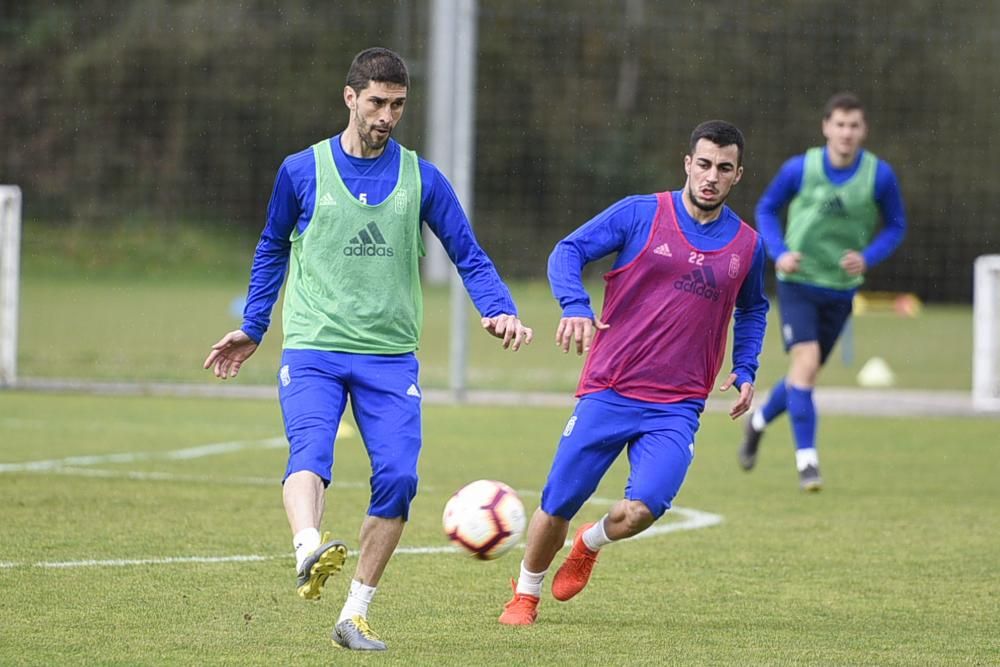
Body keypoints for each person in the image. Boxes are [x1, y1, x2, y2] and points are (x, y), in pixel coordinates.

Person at [203, 47, 532, 651]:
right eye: (377, 102)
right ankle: (308, 548)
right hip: (314, 347)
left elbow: (468, 252)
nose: (386, 115)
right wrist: (254, 324)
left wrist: (499, 308)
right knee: (311, 449)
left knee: (400, 479)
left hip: (389, 357)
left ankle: (353, 615)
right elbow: (272, 247)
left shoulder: (421, 178)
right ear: (350, 97)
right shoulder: (301, 171)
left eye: (398, 105)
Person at [498, 121, 769, 626]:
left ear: (738, 176)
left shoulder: (747, 246)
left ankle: (589, 542)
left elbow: (752, 310)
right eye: (704, 164)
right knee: (557, 501)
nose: (711, 176)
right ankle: (525, 594)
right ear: (687, 163)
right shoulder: (641, 212)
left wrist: (746, 365)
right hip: (610, 388)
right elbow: (567, 251)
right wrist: (575, 305)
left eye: (724, 168)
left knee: (643, 509)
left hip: (678, 403)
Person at [738, 92, 906, 491]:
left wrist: (868, 257)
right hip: (798, 283)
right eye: (840, 124)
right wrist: (778, 253)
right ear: (826, 127)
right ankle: (807, 461)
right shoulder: (801, 168)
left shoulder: (879, 176)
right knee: (807, 363)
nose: (846, 132)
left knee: (804, 373)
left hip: (841, 289)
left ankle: (758, 420)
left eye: (854, 125)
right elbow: (765, 208)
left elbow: (896, 225)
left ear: (863, 131)